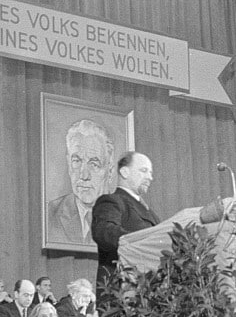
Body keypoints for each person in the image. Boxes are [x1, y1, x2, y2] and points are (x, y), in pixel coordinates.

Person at [92, 151, 160, 293]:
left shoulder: (151, 213)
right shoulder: (112, 201)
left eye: (151, 173)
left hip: (148, 293)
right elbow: (104, 232)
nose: (150, 177)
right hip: (121, 293)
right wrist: (141, 242)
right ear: (124, 172)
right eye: (144, 171)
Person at [48, 120, 116, 246]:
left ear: (110, 170)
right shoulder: (50, 214)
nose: (84, 175)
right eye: (77, 161)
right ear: (69, 164)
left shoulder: (126, 219)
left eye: (94, 164)